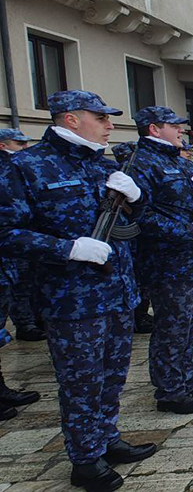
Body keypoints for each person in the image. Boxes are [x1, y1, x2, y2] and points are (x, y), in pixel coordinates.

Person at [0, 90, 156, 490]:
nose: (109, 126)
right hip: (71, 298)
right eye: (101, 118)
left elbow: (132, 220)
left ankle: (106, 438)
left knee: (113, 375)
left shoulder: (101, 166)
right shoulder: (27, 166)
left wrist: (137, 200)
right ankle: (85, 459)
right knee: (81, 382)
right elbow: (7, 232)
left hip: (117, 291)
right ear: (71, 119)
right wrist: (67, 248)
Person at [130, 106, 193, 415]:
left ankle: (188, 377)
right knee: (172, 328)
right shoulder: (142, 164)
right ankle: (170, 390)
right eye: (175, 125)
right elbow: (141, 218)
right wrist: (187, 230)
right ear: (154, 129)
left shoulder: (177, 161)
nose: (182, 130)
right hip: (169, 263)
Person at [0, 129, 45, 341]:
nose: (25, 147)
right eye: (19, 144)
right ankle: (24, 324)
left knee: (26, 284)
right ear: (3, 145)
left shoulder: (24, 167)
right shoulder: (8, 169)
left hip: (29, 237)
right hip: (10, 241)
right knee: (15, 287)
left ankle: (32, 321)